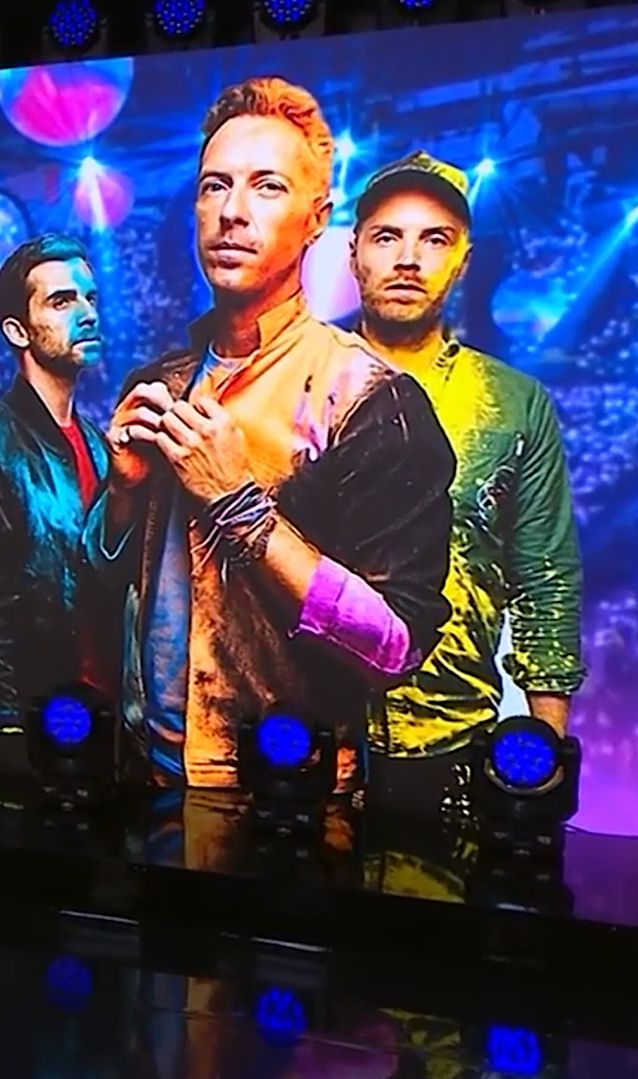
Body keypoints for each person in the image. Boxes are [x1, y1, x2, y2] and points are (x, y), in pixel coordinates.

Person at [90, 77, 456, 790]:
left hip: (288, 795)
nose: (232, 212)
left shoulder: (371, 398)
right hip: (141, 775)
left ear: (317, 218)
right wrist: (124, 496)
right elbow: (104, 594)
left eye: (266, 187)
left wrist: (241, 506)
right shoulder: (160, 382)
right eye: (214, 186)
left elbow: (393, 650)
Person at [350, 151, 586, 806]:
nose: (408, 259)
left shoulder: (513, 403)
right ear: (354, 251)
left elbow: (544, 574)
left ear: (463, 260)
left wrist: (543, 749)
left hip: (454, 739)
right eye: (387, 237)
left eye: (434, 240)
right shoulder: (292, 379)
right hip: (301, 737)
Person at [0, 234, 114, 771]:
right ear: (17, 330)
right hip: (33, 734)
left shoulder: (99, 445)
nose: (86, 313)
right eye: (61, 301)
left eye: (90, 298)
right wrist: (0, 734)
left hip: (103, 727)